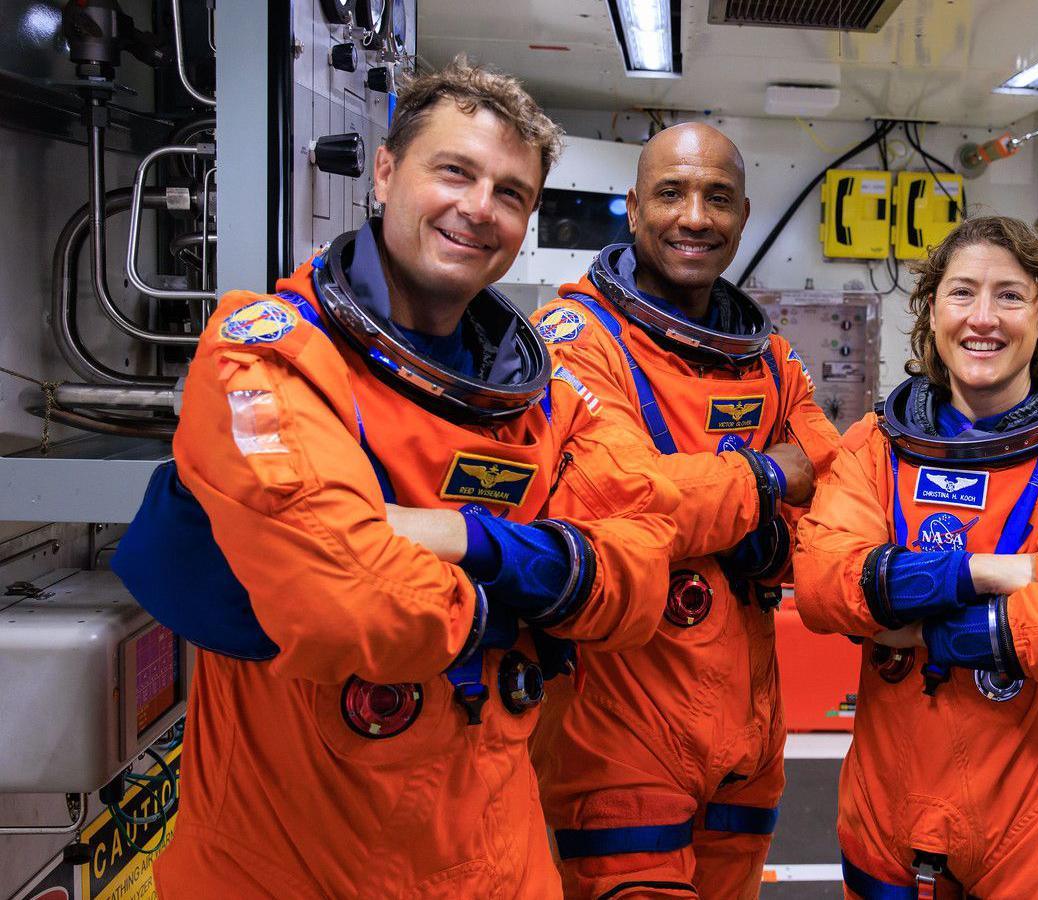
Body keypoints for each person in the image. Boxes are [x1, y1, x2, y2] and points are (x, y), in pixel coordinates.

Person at [117, 59, 680, 898]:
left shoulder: (547, 396)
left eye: (511, 192)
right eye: (454, 171)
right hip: (293, 864)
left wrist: (461, 537)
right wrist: (541, 588)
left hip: (498, 857)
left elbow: (640, 577)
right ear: (385, 172)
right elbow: (354, 606)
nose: (478, 208)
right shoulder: (267, 354)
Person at [792, 216, 1038, 899]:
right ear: (932, 312)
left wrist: (908, 618)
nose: (982, 318)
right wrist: (982, 572)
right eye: (962, 293)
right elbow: (820, 582)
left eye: (1010, 297)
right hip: (886, 824)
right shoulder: (876, 446)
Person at [525, 122, 840, 898]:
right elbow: (625, 501)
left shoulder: (769, 360)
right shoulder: (575, 340)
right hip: (617, 729)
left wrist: (747, 526)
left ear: (742, 216)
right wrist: (768, 479)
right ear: (632, 210)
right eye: (670, 193)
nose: (694, 216)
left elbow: (837, 496)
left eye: (717, 198)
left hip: (749, 737)